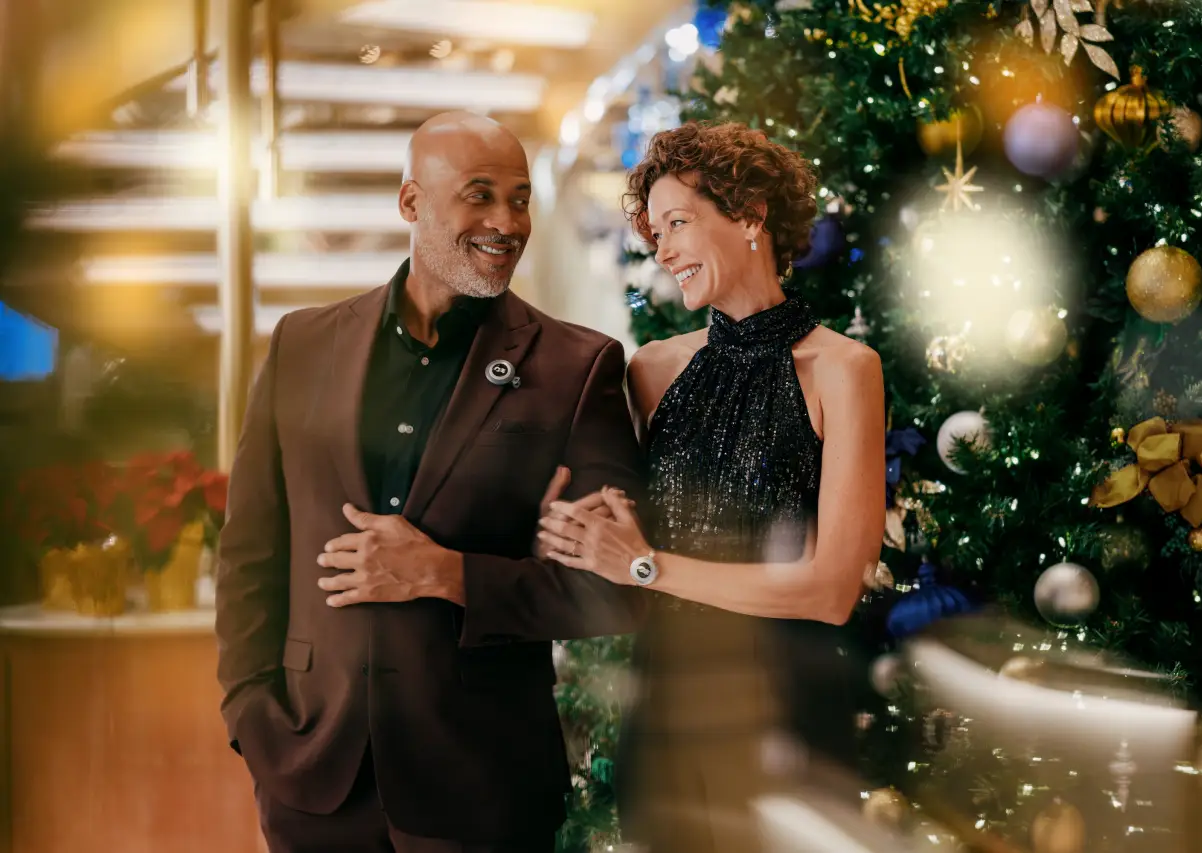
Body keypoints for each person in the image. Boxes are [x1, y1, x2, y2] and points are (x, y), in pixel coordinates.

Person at [214, 111, 645, 853]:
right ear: (411, 203)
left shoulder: (580, 368)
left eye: (519, 199)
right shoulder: (301, 344)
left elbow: (611, 587)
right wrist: (250, 713)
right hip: (310, 779)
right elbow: (251, 551)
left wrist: (449, 574)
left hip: (483, 786)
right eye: (479, 196)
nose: (506, 222)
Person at [536, 121, 886, 852]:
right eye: (654, 230)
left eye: (678, 223)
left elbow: (831, 589)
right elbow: (615, 533)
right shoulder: (651, 370)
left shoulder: (844, 370)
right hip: (664, 714)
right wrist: (572, 527)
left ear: (751, 214)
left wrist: (649, 566)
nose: (660, 249)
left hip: (786, 718)